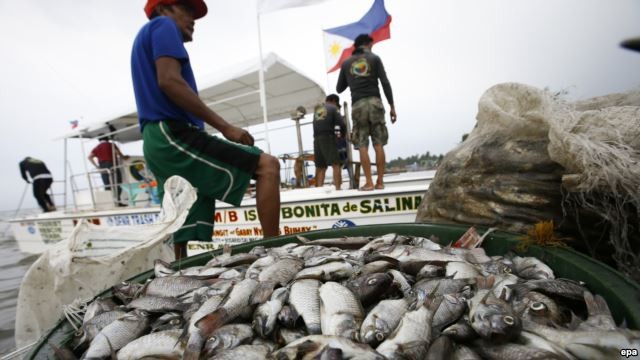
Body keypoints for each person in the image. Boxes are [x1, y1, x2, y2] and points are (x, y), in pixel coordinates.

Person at [131, 0, 281, 259]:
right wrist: (225, 127)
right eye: (186, 9)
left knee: (182, 204)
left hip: (156, 139)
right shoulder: (163, 25)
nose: (193, 19)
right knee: (268, 165)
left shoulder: (147, 36)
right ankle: (277, 253)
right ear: (164, 8)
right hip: (171, 133)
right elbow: (169, 81)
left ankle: (180, 270)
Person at [336, 33, 397, 191]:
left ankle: (368, 182)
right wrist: (392, 106)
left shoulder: (346, 63)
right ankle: (380, 182)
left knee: (362, 144)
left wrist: (351, 78)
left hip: (358, 105)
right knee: (378, 143)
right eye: (372, 45)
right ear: (367, 44)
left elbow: (339, 88)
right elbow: (385, 82)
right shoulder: (375, 58)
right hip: (375, 103)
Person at [312, 94, 345, 190]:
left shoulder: (318, 109)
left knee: (321, 166)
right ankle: (338, 189)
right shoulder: (333, 107)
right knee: (336, 164)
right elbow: (341, 123)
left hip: (316, 139)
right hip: (327, 137)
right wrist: (343, 134)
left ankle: (319, 190)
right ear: (334, 101)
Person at [88, 136, 129, 206]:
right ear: (107, 139)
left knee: (107, 185)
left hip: (102, 167)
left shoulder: (97, 147)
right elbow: (118, 153)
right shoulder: (111, 144)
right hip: (112, 165)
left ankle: (110, 202)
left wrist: (97, 167)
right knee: (117, 183)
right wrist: (124, 157)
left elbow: (89, 157)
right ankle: (118, 202)